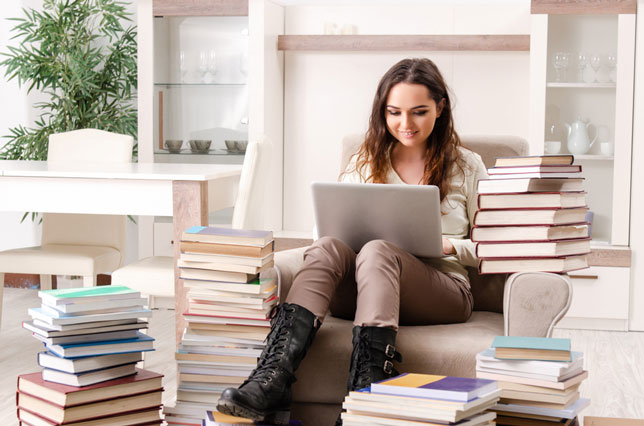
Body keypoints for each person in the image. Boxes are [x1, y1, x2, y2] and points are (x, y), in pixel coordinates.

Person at [216, 57, 488, 425]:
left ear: (440, 108)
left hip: (442, 291)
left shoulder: (468, 166)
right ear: (382, 111)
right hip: (364, 288)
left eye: (419, 112)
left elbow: (496, 245)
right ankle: (272, 378)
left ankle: (368, 389)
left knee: (377, 249)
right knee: (329, 245)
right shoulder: (365, 160)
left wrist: (452, 246)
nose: (405, 124)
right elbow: (329, 229)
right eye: (394, 113)